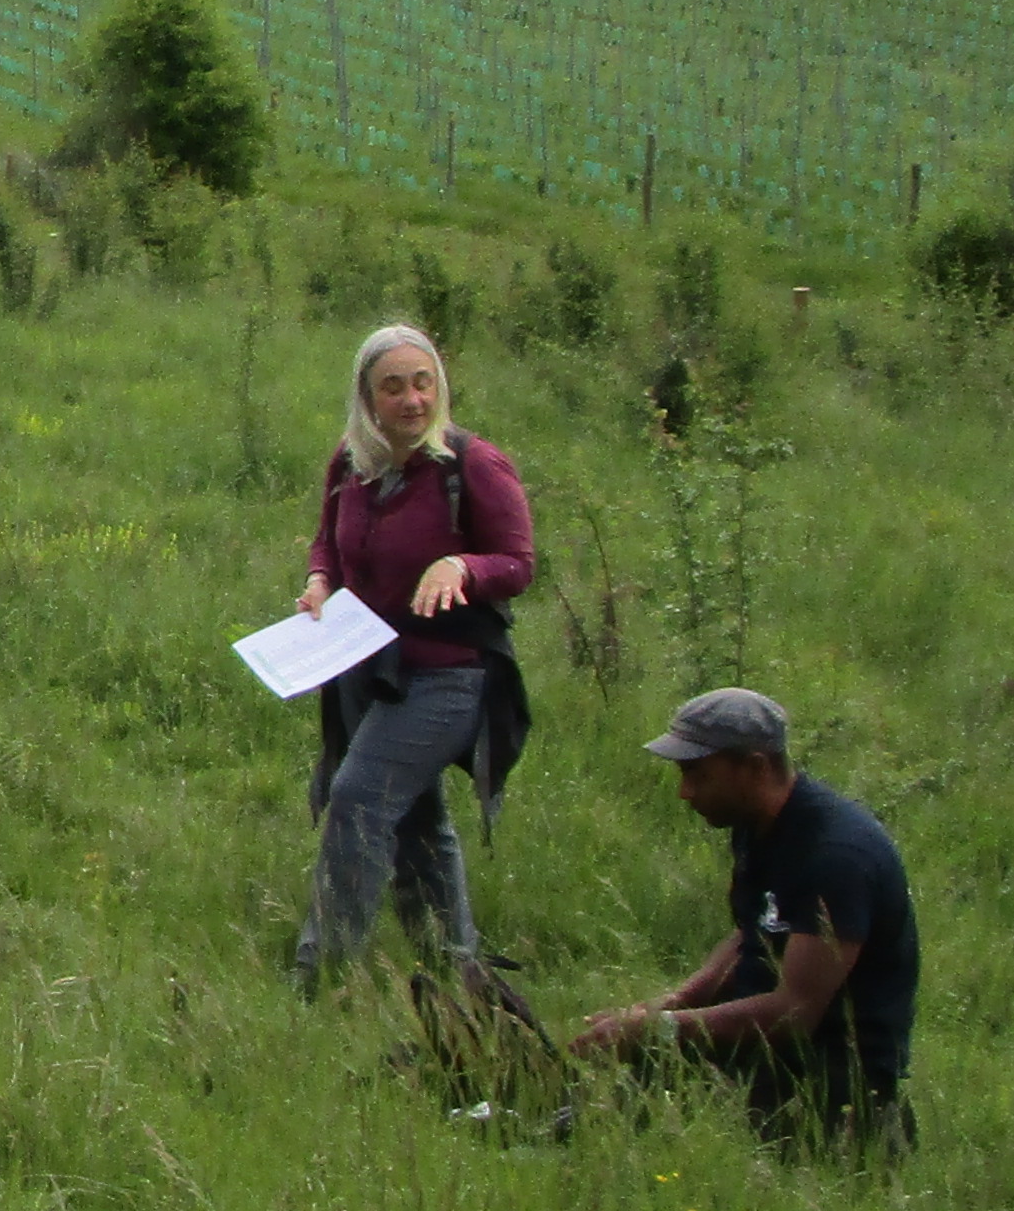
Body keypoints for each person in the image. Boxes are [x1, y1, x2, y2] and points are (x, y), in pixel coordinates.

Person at [288, 322, 533, 987]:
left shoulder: (471, 466)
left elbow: (518, 561)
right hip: (366, 664)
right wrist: (319, 582)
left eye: (422, 383)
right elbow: (327, 545)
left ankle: (321, 974)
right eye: (392, 387)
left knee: (360, 796)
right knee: (417, 819)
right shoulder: (353, 461)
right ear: (367, 398)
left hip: (448, 675)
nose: (412, 400)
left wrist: (462, 566)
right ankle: (455, 967)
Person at [572, 689, 920, 1150]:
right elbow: (750, 936)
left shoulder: (837, 857)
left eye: (698, 774)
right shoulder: (760, 827)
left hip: (831, 1092)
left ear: (756, 768)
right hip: (756, 1059)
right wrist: (666, 1006)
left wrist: (658, 1030)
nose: (685, 791)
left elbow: (794, 1012)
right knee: (584, 1115)